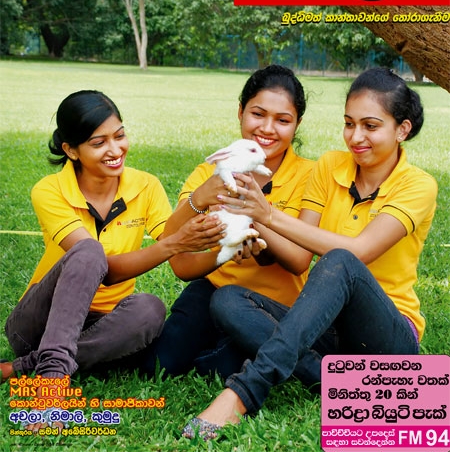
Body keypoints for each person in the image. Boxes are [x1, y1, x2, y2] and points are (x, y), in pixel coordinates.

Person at [181, 67, 438, 440]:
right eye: (349, 124)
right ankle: (337, 381)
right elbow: (300, 250)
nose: (356, 137)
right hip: (328, 330)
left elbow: (359, 252)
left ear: (402, 130)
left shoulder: (418, 185)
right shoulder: (330, 166)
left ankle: (243, 392)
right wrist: (249, 223)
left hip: (388, 335)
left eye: (370, 126)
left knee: (341, 260)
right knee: (228, 299)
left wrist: (266, 214)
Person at [0, 90, 224, 432]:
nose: (115, 149)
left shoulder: (145, 186)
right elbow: (101, 270)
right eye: (98, 142)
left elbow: (181, 265)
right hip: (39, 323)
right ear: (71, 150)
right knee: (90, 251)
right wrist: (174, 243)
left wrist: (224, 249)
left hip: (103, 325)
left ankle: (22, 367)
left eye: (120, 136)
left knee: (150, 308)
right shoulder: (49, 190)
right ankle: (51, 384)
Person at [141, 64, 315, 379]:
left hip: (273, 306)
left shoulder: (310, 176)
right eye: (258, 114)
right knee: (160, 366)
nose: (268, 128)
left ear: (297, 124)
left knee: (217, 368)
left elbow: (298, 261)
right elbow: (179, 261)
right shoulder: (210, 172)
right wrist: (200, 199)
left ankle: (236, 350)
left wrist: (255, 220)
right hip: (214, 288)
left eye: (283, 120)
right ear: (240, 112)